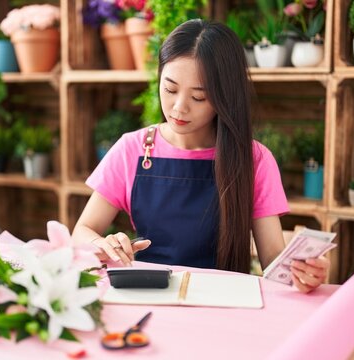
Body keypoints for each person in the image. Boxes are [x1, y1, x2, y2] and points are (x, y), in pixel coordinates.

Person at [73, 19, 330, 293]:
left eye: (199, 97)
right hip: (148, 296)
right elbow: (81, 232)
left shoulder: (254, 159)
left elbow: (275, 265)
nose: (179, 108)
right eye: (170, 89)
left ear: (225, 98)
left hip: (223, 303)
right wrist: (102, 244)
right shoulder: (132, 149)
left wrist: (305, 274)